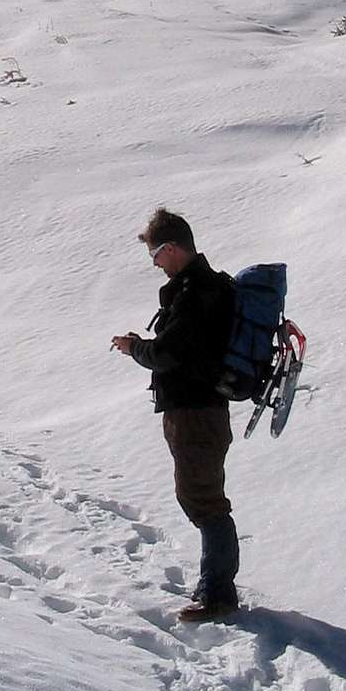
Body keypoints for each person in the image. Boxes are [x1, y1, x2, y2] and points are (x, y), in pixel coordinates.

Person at [111, 207, 239, 623]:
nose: (155, 264)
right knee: (201, 495)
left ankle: (218, 595)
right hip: (200, 409)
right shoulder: (204, 288)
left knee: (204, 499)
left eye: (155, 256)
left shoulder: (195, 293)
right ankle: (215, 587)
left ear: (171, 249)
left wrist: (136, 349)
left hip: (196, 411)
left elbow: (169, 354)